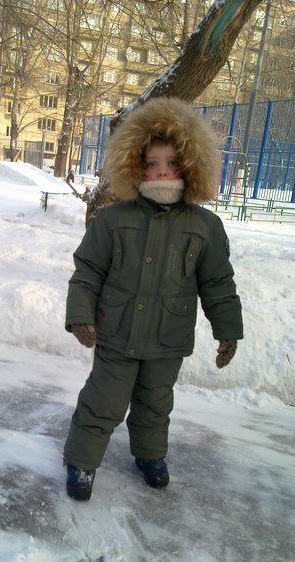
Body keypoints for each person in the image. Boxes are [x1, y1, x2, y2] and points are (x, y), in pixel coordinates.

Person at [63, 97, 243, 501]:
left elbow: (218, 282)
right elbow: (88, 271)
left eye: (172, 163)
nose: (162, 171)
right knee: (103, 401)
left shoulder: (205, 226)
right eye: (152, 163)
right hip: (117, 334)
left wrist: (227, 330)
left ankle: (150, 454)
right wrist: (81, 317)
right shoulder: (113, 219)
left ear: (191, 166)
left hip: (168, 338)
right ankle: (81, 461)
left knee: (155, 403)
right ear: (135, 166)